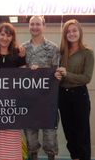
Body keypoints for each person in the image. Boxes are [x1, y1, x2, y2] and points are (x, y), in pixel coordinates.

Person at [56, 19, 94, 160]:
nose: (71, 34)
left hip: (79, 95)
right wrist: (58, 75)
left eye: (74, 30)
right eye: (68, 31)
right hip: (63, 96)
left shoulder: (87, 53)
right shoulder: (61, 52)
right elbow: (58, 75)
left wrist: (67, 74)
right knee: (70, 134)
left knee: (82, 134)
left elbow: (86, 78)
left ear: (79, 32)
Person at [22, 15, 60, 160]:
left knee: (50, 140)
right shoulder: (22, 48)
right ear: (29, 26)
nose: (35, 27)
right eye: (32, 24)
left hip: (48, 102)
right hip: (29, 102)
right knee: (31, 141)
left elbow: (57, 73)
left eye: (38, 24)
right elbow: (18, 73)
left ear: (44, 26)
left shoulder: (53, 48)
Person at [0, 23, 26, 160]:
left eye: (8, 35)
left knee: (12, 135)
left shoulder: (18, 55)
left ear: (12, 38)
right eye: (2, 34)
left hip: (12, 104)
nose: (5, 38)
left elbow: (23, 78)